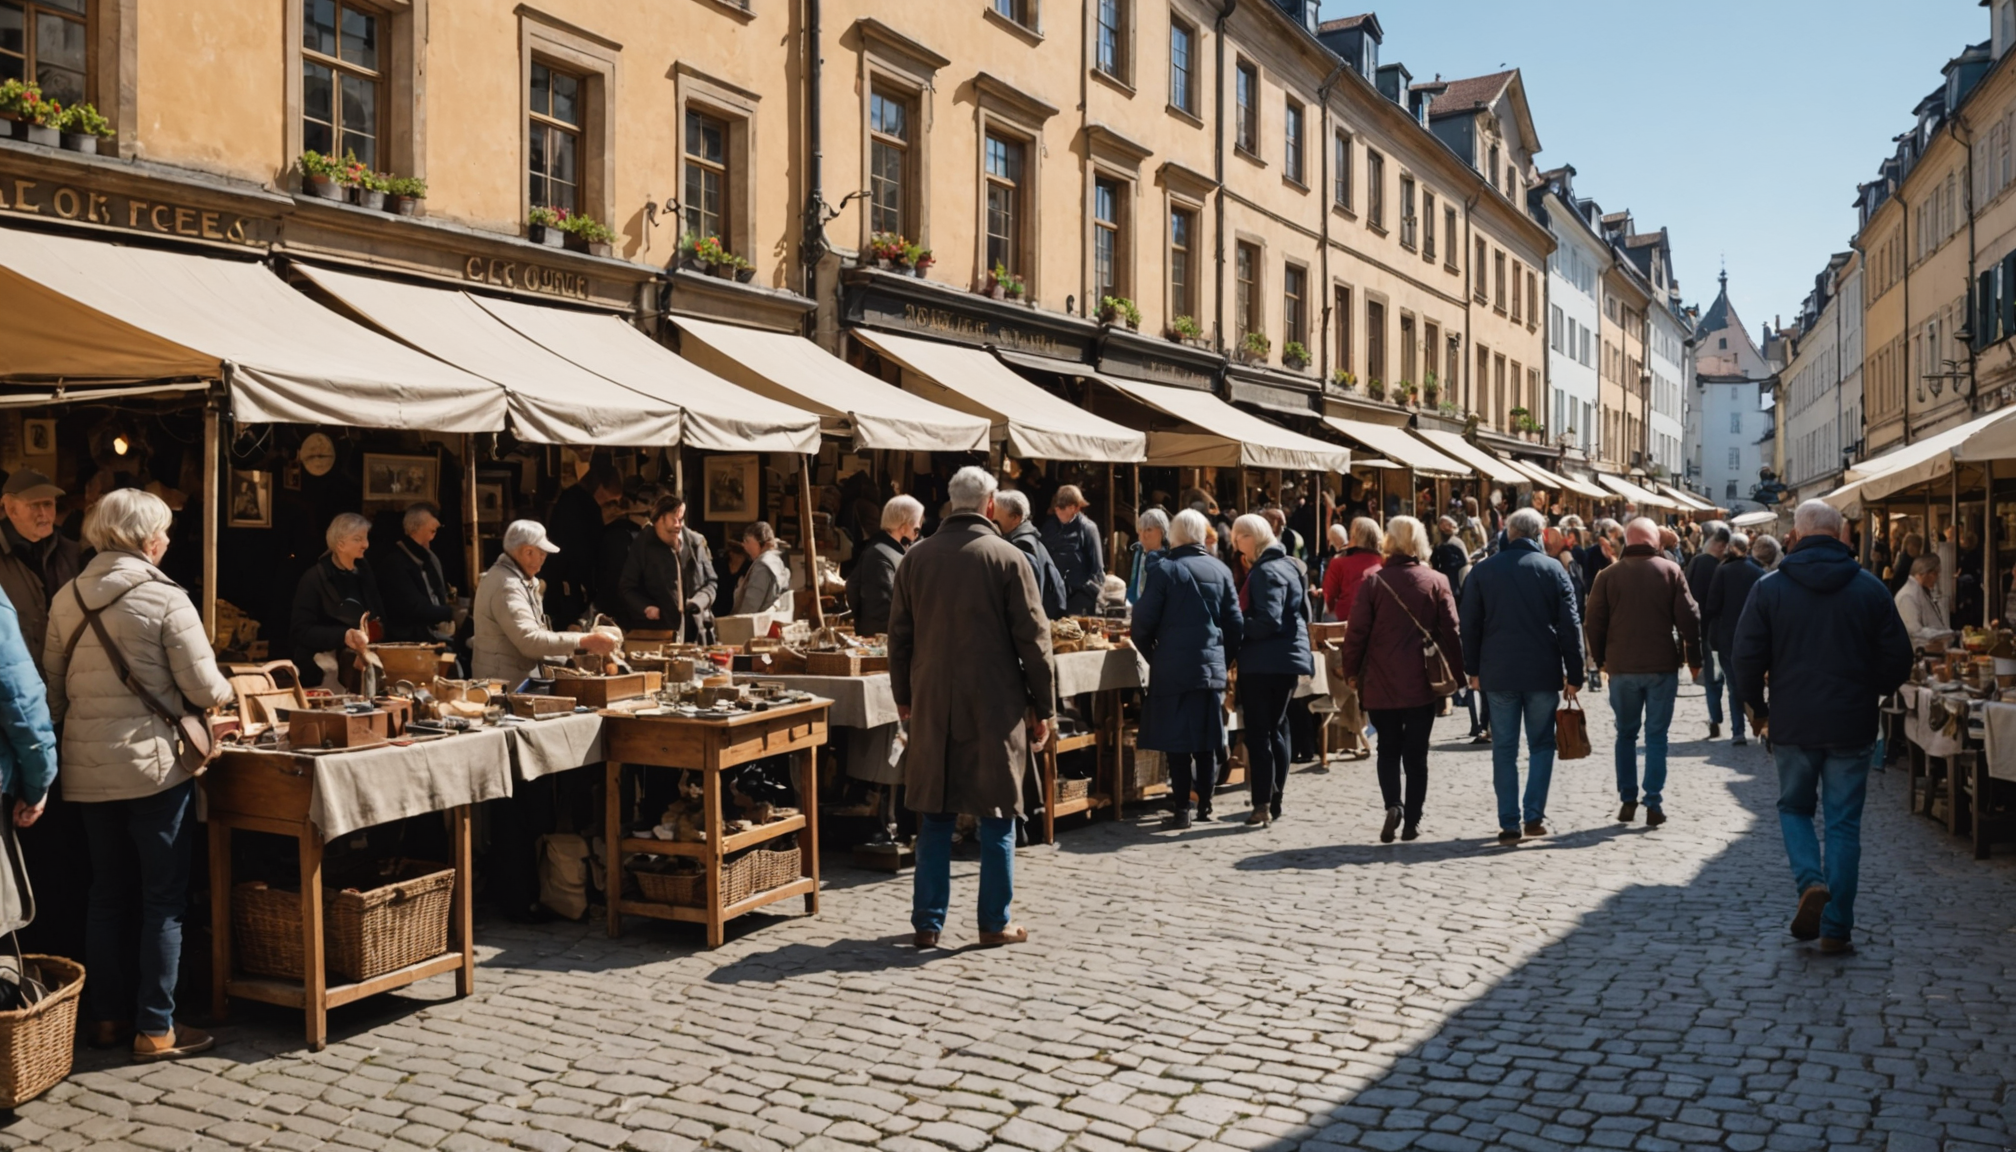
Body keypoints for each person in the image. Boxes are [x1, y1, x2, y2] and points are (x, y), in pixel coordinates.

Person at [44, 488, 233, 1062]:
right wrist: (225, 691)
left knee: (105, 893)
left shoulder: (67, 596)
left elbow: (54, 695)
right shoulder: (164, 596)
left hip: (85, 769)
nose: (168, 541)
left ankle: (106, 1019)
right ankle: (155, 1028)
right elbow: (206, 688)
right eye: (165, 531)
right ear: (148, 539)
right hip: (154, 769)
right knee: (163, 898)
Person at [1733, 500, 1913, 954]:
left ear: (1795, 536)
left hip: (1793, 721)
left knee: (1795, 808)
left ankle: (1810, 881)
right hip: (1851, 722)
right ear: (1841, 536)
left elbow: (1745, 657)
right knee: (1843, 824)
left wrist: (1758, 709)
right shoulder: (1870, 588)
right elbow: (1899, 658)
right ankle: (1836, 928)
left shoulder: (1770, 588)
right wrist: (1870, 689)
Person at [888, 466, 1053, 950]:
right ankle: (993, 922)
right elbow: (1034, 640)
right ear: (990, 504)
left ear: (951, 502)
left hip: (933, 699)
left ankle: (927, 923)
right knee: (997, 813)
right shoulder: (1007, 556)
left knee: (936, 814)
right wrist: (1043, 705)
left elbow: (898, 638)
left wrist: (904, 697)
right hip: (994, 702)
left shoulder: (916, 558)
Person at [1459, 507, 1584, 845]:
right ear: (1539, 534)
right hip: (1542, 671)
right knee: (1541, 744)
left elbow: (1469, 626)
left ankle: (1509, 822)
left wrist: (1472, 670)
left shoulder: (1483, 571)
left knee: (1504, 748)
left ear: (1509, 533)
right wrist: (1575, 673)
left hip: (1498, 672)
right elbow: (1570, 625)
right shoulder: (1552, 569)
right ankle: (1533, 816)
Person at [1338, 516, 1462, 844]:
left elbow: (1356, 634)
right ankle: (1412, 822)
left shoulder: (1373, 583)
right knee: (1416, 755)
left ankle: (1394, 805)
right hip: (1423, 682)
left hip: (1380, 681)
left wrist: (1351, 671)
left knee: (1388, 750)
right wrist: (1460, 674)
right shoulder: (1436, 580)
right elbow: (1452, 632)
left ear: (1389, 542)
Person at [1585, 518, 1702, 827]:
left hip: (1622, 667)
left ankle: (1627, 798)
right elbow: (1690, 618)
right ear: (1655, 542)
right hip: (1661, 666)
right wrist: (1694, 656)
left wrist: (1601, 659)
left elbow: (1593, 622)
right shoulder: (1670, 571)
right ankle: (1653, 802)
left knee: (1625, 734)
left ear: (1627, 540)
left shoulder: (1607, 575)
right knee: (1656, 736)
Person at [1133, 509, 1241, 830]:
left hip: (1173, 667)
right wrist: (1222, 658)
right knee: (1206, 737)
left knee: (1177, 741)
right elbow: (1235, 624)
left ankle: (1182, 808)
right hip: (1209, 669)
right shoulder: (1221, 569)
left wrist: (1155, 655)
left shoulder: (1165, 570)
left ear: (1174, 535)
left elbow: (1141, 623)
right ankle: (1205, 802)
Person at [1231, 513, 1311, 827]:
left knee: (1260, 733)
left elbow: (1269, 620)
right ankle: (1274, 799)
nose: (1236, 545)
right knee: (1275, 729)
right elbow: (1303, 614)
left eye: (1239, 538)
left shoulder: (1266, 571)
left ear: (1251, 538)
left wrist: (1235, 624)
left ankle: (1263, 803)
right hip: (1285, 660)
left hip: (1264, 662)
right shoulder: (1291, 566)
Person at [471, 520, 618, 685]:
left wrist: (568, 654)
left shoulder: (516, 580)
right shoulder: (508, 586)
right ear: (527, 552)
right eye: (541, 554)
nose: (544, 559)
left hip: (510, 683)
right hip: (504, 687)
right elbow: (530, 641)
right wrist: (584, 640)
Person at [290, 513, 382, 689]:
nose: (366, 545)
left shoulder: (364, 573)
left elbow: (377, 613)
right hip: (324, 670)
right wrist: (343, 636)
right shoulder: (314, 578)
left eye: (366, 538)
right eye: (358, 539)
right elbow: (300, 631)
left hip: (364, 664)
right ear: (340, 544)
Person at [0, 470, 80, 672]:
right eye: (34, 505)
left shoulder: (71, 552)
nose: (44, 514)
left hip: (63, 672)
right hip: (13, 676)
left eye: (48, 504)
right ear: (11, 509)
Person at [616, 493, 717, 641]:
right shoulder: (643, 544)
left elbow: (711, 582)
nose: (677, 526)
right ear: (657, 521)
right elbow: (627, 587)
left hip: (696, 631)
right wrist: (646, 607)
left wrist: (699, 602)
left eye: (680, 520)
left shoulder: (696, 542)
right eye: (672, 522)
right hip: (659, 631)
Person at [1700, 533, 1764, 746]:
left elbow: (1712, 606)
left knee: (1733, 684)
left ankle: (1738, 731)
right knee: (1753, 683)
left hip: (1727, 636)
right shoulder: (1758, 572)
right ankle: (1761, 726)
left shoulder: (1723, 571)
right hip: (1753, 636)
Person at [543, 463, 623, 629]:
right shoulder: (583, 505)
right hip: (571, 580)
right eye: (609, 502)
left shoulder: (571, 498)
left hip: (567, 575)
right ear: (600, 487)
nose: (611, 507)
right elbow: (585, 548)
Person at [374, 503, 456, 644]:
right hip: (409, 639)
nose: (433, 538)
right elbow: (415, 609)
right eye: (432, 532)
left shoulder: (430, 559)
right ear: (414, 529)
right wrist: (452, 613)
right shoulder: (395, 563)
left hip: (432, 633)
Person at [847, 495, 922, 637]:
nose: (917, 536)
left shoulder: (887, 552)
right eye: (916, 530)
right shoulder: (881, 555)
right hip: (882, 638)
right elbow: (886, 609)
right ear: (903, 527)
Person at [1686, 522, 1731, 739]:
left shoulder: (1696, 562)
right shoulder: (1722, 568)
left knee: (1713, 679)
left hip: (1704, 630)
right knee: (1726, 678)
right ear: (1721, 546)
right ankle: (1735, 724)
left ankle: (1715, 718)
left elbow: (1687, 595)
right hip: (1721, 631)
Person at [995, 490, 1067, 620]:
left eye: (996, 519)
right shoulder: (1030, 540)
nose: (993, 523)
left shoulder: (1023, 546)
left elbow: (1025, 599)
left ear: (1015, 518)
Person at [1039, 485, 1105, 615]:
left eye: (1064, 508)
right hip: (1053, 598)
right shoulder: (1049, 528)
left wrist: (1086, 592)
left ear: (1075, 508)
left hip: (1080, 599)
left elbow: (1097, 569)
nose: (1059, 511)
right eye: (1057, 508)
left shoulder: (1088, 529)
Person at [1323, 518, 1383, 623]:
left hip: (1346, 618)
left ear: (1354, 538)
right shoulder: (1385, 562)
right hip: (1378, 619)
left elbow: (1329, 596)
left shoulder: (1338, 562)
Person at [731, 522, 793, 617]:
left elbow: (751, 605)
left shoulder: (762, 566)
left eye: (747, 541)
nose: (745, 546)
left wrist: (738, 622)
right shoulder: (776, 562)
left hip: (761, 620)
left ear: (760, 543)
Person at [1126, 508, 1170, 602]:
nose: (1143, 535)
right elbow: (1134, 586)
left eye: (1149, 530)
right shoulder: (1138, 552)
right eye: (1141, 530)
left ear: (1162, 531)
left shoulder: (1169, 558)